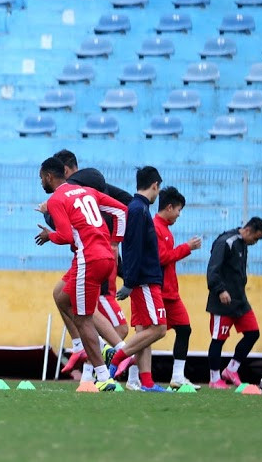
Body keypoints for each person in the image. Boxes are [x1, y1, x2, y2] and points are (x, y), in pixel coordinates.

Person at [34, 156, 128, 392]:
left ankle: (104, 376)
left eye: (41, 178)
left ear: (48, 176)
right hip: (104, 258)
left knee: (83, 318)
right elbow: (121, 211)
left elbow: (65, 236)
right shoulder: (87, 191)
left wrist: (48, 235)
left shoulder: (56, 199)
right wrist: (115, 243)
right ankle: (93, 347)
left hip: (88, 259)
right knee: (61, 295)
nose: (41, 182)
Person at [107, 166, 169, 391]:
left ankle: (147, 383)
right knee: (159, 329)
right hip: (144, 281)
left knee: (144, 332)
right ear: (155, 185)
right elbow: (132, 247)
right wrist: (130, 282)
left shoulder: (139, 209)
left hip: (142, 279)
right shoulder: (137, 210)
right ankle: (116, 357)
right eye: (158, 189)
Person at [204, 216, 262, 389]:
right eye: (256, 238)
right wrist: (220, 290)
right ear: (248, 230)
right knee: (218, 339)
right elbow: (212, 270)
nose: (255, 242)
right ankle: (214, 379)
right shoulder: (226, 242)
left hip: (239, 301)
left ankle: (231, 370)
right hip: (222, 302)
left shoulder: (242, 243)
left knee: (253, 333)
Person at [153, 185, 201, 389]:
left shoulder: (165, 229)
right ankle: (132, 375)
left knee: (184, 329)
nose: (179, 214)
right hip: (159, 291)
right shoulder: (155, 227)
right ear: (170, 207)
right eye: (179, 210)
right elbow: (161, 258)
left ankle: (178, 377)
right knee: (148, 334)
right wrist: (186, 248)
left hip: (171, 293)